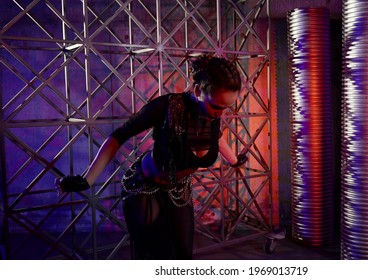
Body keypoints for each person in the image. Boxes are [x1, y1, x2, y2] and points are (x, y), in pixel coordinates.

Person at [55, 54, 248, 259]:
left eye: (226, 108)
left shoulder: (211, 117)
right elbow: (119, 135)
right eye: (217, 107)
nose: (221, 114)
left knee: (183, 255)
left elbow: (216, 139)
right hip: (144, 186)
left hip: (178, 188)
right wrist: (87, 180)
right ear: (199, 91)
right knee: (153, 253)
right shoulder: (168, 106)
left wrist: (235, 161)